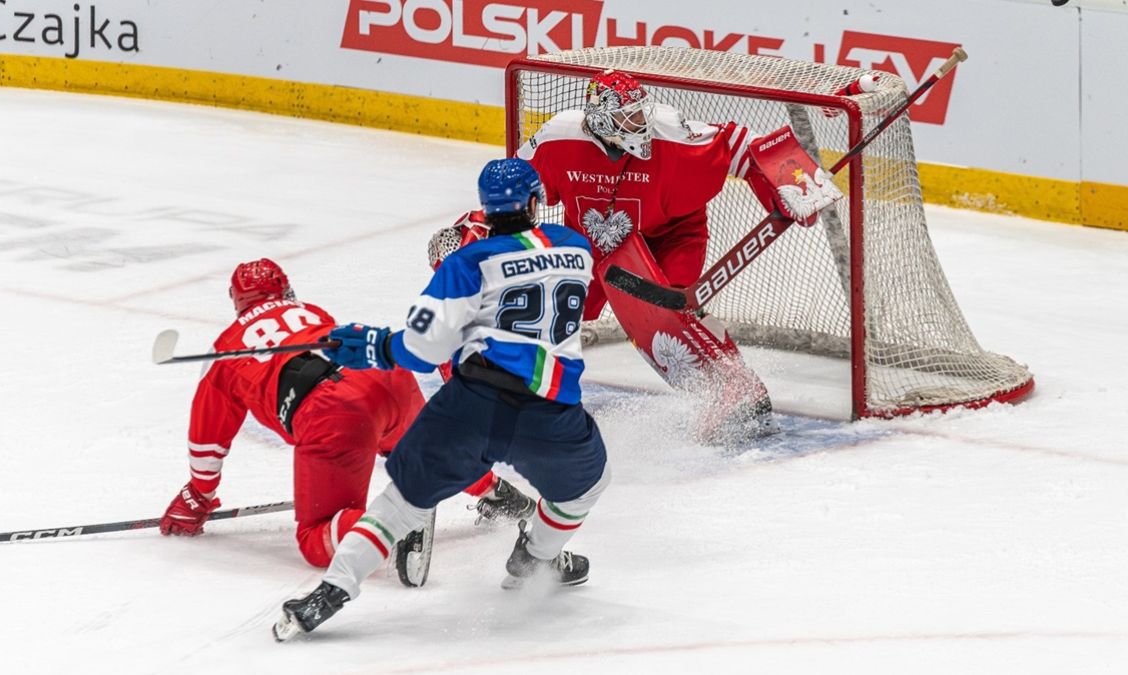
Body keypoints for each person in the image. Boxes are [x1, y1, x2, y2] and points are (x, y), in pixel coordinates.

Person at [272, 158, 610, 641]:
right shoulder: (577, 248)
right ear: (535, 202)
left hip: (471, 404)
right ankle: (533, 559)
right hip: (550, 414)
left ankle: (330, 592)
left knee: (398, 505)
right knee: (585, 488)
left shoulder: (465, 264)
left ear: (486, 210)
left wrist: (373, 344)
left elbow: (424, 349)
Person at [159, 258, 529, 577]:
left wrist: (198, 497)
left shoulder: (225, 349)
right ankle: (499, 493)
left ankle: (397, 527)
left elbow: (207, 439)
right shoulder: (310, 312)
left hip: (332, 413)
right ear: (286, 289)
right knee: (427, 450)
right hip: (387, 376)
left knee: (315, 537)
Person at [516, 69, 813, 439]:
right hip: (592, 242)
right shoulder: (558, 137)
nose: (642, 123)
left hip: (671, 235)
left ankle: (735, 390)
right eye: (630, 117)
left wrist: (794, 181)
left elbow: (745, 144)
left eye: (642, 112)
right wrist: (485, 227)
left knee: (672, 314)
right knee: (553, 307)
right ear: (601, 120)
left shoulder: (671, 132)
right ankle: (526, 388)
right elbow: (514, 184)